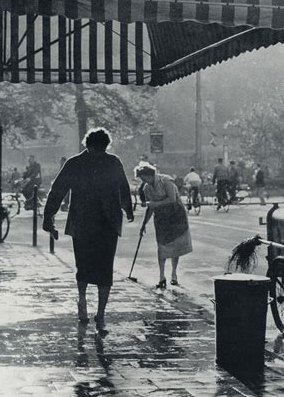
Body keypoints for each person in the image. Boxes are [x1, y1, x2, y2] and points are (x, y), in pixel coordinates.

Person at [43, 128, 134, 335]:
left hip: (90, 223)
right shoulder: (110, 162)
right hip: (99, 223)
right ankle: (89, 306)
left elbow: (57, 189)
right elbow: (123, 187)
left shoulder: (76, 163)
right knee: (92, 266)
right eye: (97, 150)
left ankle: (97, 310)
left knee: (97, 267)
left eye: (101, 150)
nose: (99, 154)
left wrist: (49, 216)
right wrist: (127, 208)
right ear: (92, 146)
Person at [136, 162, 192, 289]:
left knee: (175, 245)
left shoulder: (166, 181)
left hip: (176, 215)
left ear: (150, 175)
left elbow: (172, 199)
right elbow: (150, 208)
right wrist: (144, 224)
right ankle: (161, 277)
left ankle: (174, 274)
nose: (143, 180)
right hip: (161, 218)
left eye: (143, 177)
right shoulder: (147, 188)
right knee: (162, 246)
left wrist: (155, 204)